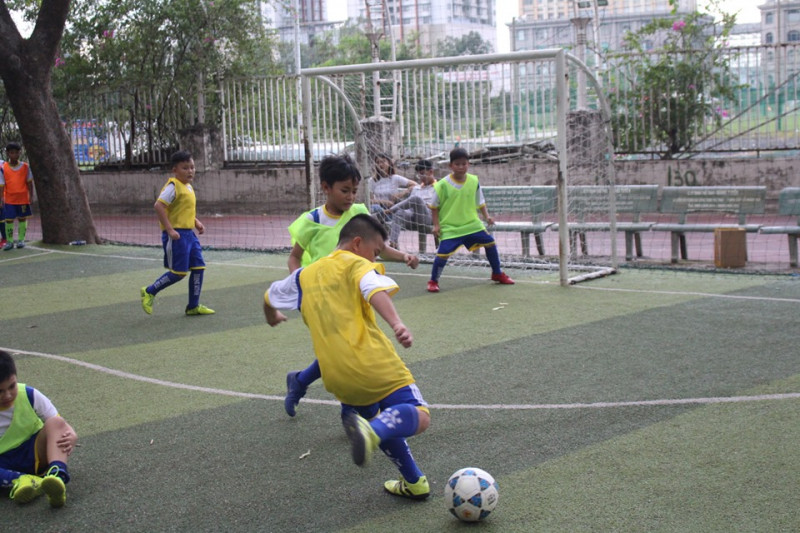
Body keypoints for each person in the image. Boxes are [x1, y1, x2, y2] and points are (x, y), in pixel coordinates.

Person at [264, 214, 431, 500]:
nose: (375, 257)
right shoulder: (357, 264)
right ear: (357, 243)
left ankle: (414, 482)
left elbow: (269, 296)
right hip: (375, 364)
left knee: (381, 421)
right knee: (419, 415)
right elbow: (373, 288)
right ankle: (372, 431)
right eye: (376, 252)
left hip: (337, 379)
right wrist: (396, 324)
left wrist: (272, 317)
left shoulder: (303, 275)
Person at [284, 154, 419, 417]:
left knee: (346, 349)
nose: (350, 197)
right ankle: (348, 407)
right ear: (325, 187)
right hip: (325, 299)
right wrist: (301, 290)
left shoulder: (358, 213)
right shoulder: (312, 221)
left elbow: (379, 246)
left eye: (354, 191)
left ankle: (303, 383)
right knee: (343, 350)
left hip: (356, 296)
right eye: (345, 190)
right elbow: (294, 258)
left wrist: (403, 256)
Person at [427, 147, 515, 292]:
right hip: (451, 226)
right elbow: (434, 206)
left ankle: (497, 273)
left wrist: (487, 217)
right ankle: (433, 281)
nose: (461, 167)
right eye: (457, 164)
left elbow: (480, 201)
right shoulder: (441, 185)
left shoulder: (474, 180)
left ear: (468, 164)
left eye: (464, 164)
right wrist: (436, 225)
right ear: (451, 166)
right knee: (442, 254)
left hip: (472, 224)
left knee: (490, 243)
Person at [140, 150, 215, 316]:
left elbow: (183, 210)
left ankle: (193, 306)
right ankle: (150, 291)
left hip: (189, 235)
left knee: (199, 267)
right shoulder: (173, 186)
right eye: (185, 168)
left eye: (192, 167)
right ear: (175, 170)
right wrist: (170, 229)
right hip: (177, 236)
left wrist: (196, 222)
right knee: (179, 272)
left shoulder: (188, 187)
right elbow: (159, 206)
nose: (190, 171)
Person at [0, 350, 77, 507]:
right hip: (3, 465)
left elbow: (59, 423)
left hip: (35, 453)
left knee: (55, 423)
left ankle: (57, 475)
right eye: (0, 391)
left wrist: (72, 435)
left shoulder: (29, 394)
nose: (7, 395)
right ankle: (21, 480)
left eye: (11, 386)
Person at [384, 159, 437, 249]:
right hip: (412, 217)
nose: (421, 176)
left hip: (428, 217)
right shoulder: (416, 188)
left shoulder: (439, 187)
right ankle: (393, 243)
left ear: (431, 172)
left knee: (416, 199)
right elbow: (409, 206)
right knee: (399, 212)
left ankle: (390, 210)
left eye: (423, 173)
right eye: (419, 174)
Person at [0, 142, 34, 251]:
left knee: (22, 218)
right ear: (8, 154)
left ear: (20, 153)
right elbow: (2, 184)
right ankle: (9, 241)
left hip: (23, 198)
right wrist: (1, 198)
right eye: (11, 153)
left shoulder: (25, 167)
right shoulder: (3, 168)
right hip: (9, 199)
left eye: (16, 153)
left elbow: (29, 183)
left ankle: (21, 240)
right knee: (8, 220)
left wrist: (31, 195)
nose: (14, 155)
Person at [368, 153, 416, 227]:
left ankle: (388, 224)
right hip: (378, 209)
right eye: (377, 162)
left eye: (383, 161)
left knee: (397, 213)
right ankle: (386, 223)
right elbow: (369, 200)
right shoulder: (372, 180)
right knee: (376, 208)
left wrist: (401, 193)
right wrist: (384, 202)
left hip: (392, 209)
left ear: (389, 163)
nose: (380, 164)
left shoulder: (395, 178)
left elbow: (415, 184)